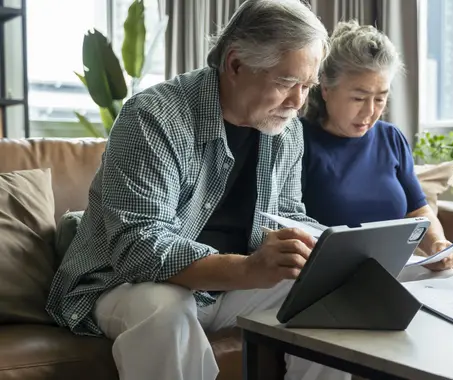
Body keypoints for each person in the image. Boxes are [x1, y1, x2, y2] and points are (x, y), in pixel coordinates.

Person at [45, 1, 350, 379]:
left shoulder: (286, 130)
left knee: (327, 295)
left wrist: (337, 250)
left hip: (227, 285)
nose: (298, 102)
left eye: (307, 86)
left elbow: (286, 214)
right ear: (235, 64)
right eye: (287, 83)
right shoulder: (153, 116)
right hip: (124, 283)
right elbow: (139, 247)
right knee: (165, 308)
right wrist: (248, 269)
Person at [301, 20, 453, 272]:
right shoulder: (297, 141)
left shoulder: (391, 138)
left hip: (395, 269)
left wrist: (437, 245)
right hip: (328, 275)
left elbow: (419, 210)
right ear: (326, 88)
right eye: (358, 98)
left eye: (380, 98)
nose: (370, 111)